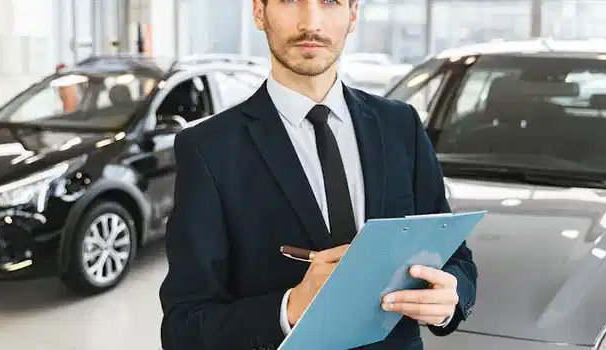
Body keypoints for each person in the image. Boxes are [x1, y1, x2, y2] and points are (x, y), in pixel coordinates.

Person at [158, 0, 477, 348]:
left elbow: (455, 256)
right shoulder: (208, 148)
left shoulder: (401, 126)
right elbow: (183, 328)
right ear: (259, 12)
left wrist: (451, 297)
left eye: (330, 2)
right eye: (289, 0)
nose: (310, 22)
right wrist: (289, 308)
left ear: (353, 14)